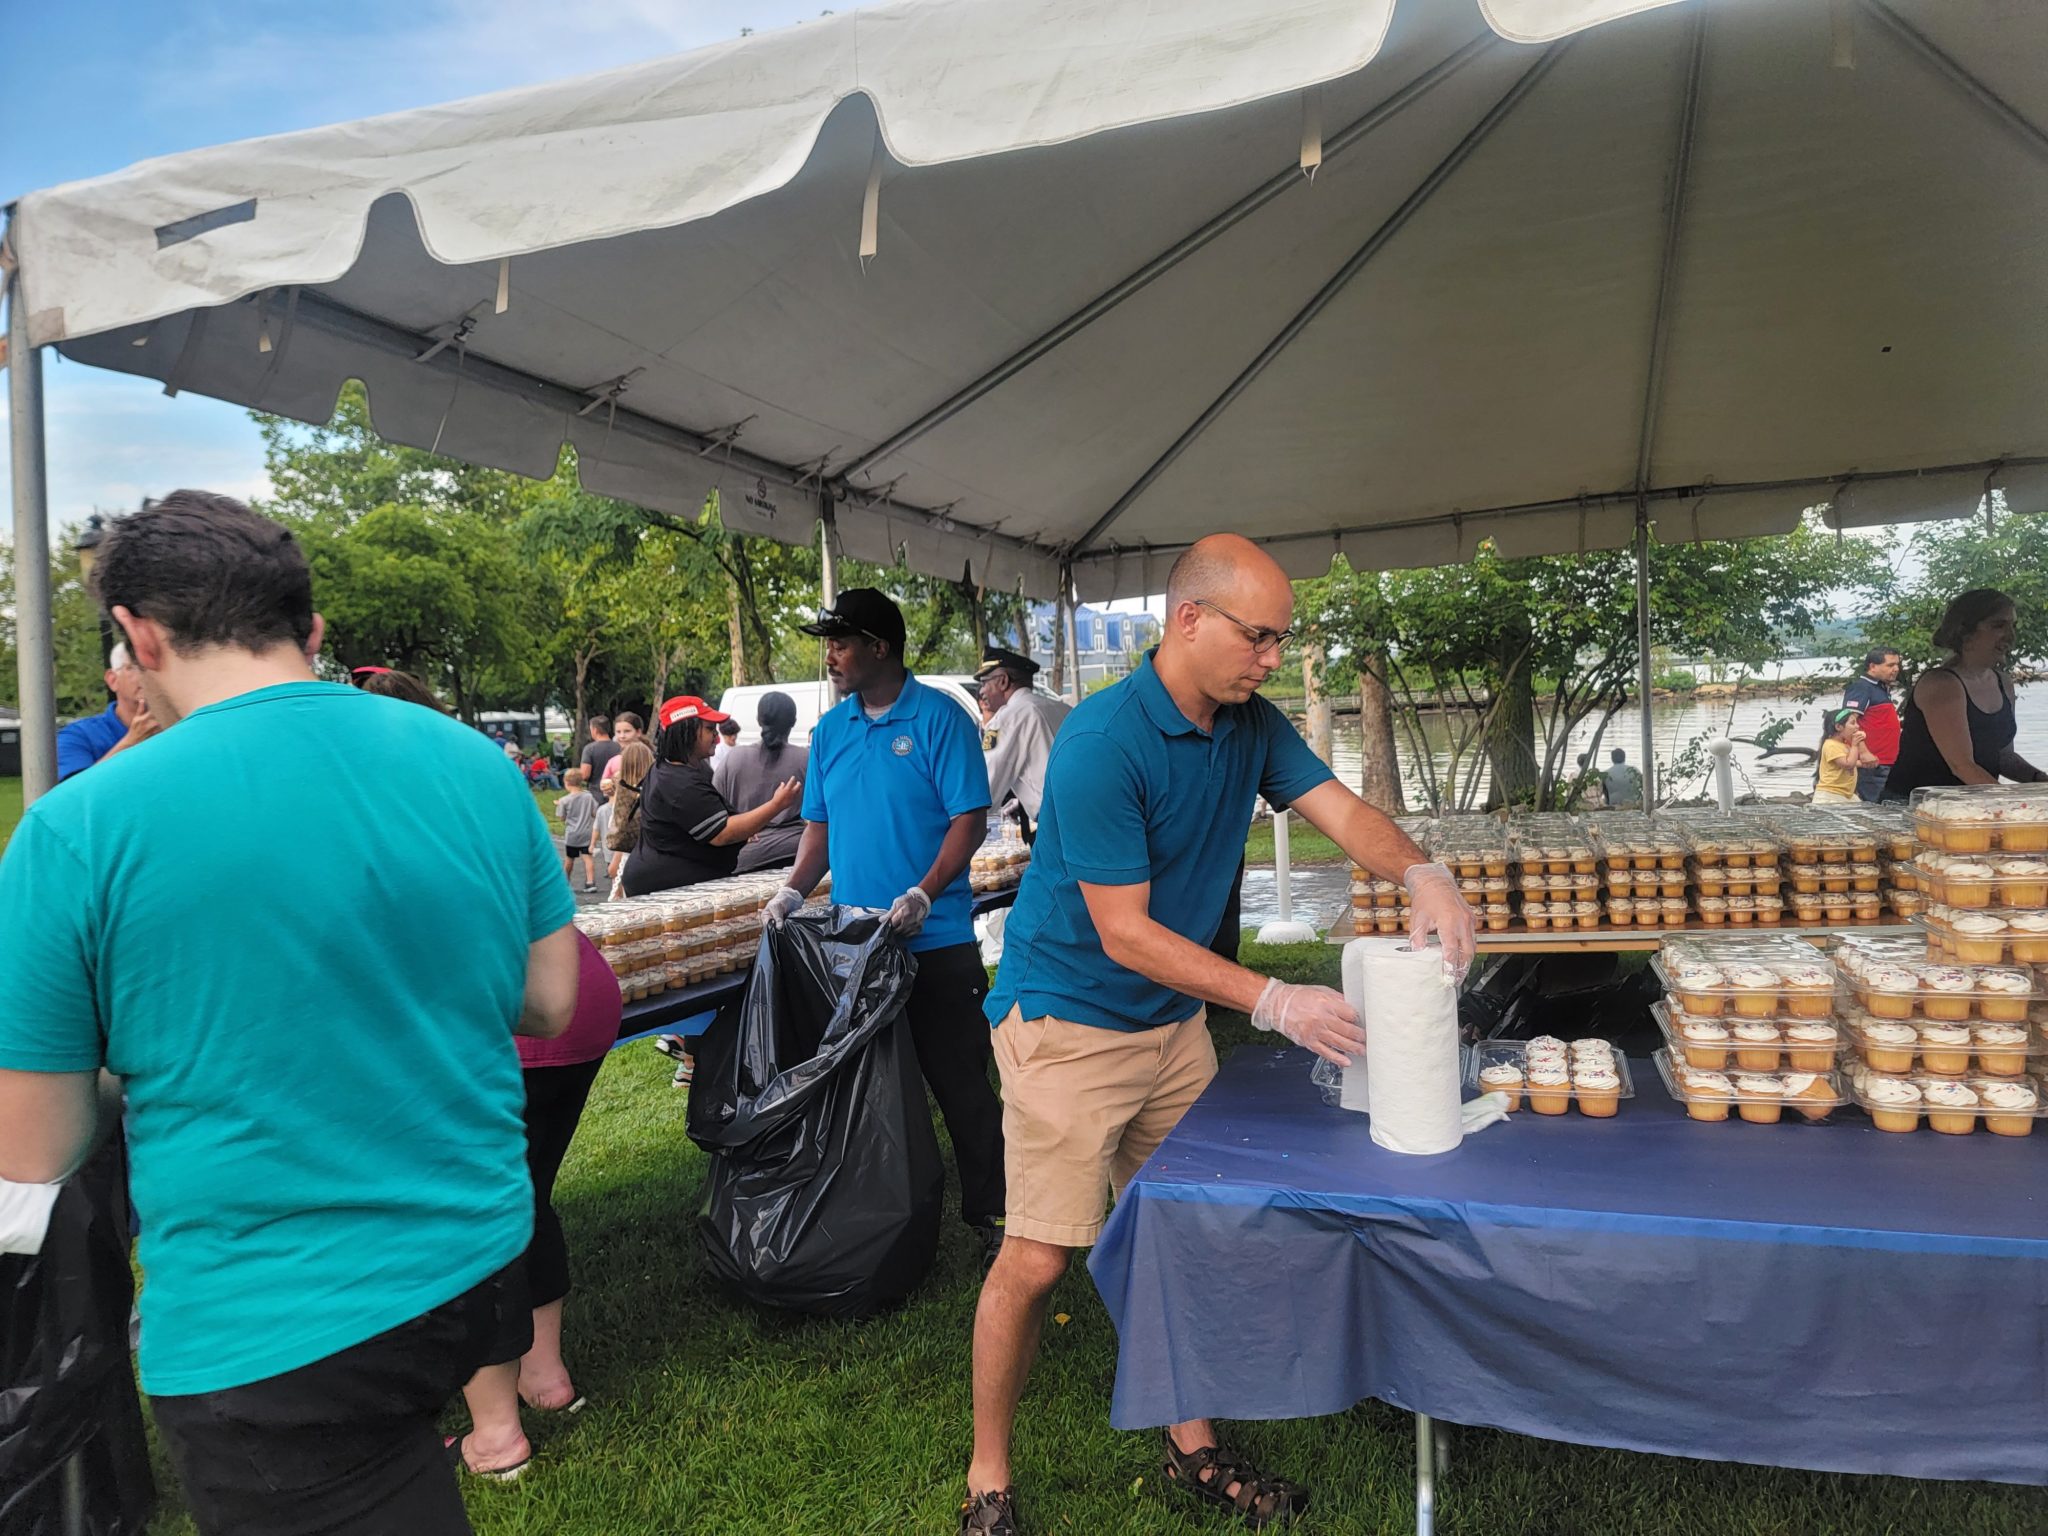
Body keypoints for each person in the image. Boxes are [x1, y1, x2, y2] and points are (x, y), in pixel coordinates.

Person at [0, 490, 581, 1536]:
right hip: (473, 1257)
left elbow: (35, 1147)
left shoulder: (76, 830)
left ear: (138, 635)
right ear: (308, 627)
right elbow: (546, 1001)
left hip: (272, 1324)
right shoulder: (474, 764)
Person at [955, 534, 1475, 1536]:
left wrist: (1419, 871)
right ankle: (987, 1481)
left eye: (1279, 639)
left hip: (1169, 1026)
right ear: (1187, 619)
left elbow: (1341, 812)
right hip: (1066, 1019)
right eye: (1259, 636)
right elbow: (1124, 931)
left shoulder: (1248, 723)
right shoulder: (1105, 740)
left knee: (1182, 1233)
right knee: (1037, 1259)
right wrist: (1274, 1002)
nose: (1272, 657)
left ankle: (1189, 1443)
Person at [764, 588, 1007, 1263]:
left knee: (959, 1083)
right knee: (867, 1092)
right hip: (855, 946)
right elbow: (820, 827)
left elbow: (969, 816)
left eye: (842, 642)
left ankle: (997, 1213)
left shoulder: (939, 719)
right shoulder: (833, 730)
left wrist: (926, 893)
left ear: (879, 646)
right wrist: (791, 891)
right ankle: (878, 1224)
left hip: (933, 940)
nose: (831, 656)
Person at [451, 930, 621, 1476]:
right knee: (526, 1194)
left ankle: (496, 1439)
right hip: (577, 989)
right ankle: (546, 1380)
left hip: (504, 1015)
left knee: (473, 1219)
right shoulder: (487, 839)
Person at [622, 696, 801, 898]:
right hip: (664, 891)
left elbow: (715, 816)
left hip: (671, 882)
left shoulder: (676, 768)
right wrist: (777, 805)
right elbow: (723, 833)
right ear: (687, 731)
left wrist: (747, 827)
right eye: (709, 729)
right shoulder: (678, 782)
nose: (716, 737)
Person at [1884, 589, 2048, 799]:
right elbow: (1962, 766)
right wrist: (2013, 805)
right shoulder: (1942, 684)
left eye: (2012, 626)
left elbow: (2004, 757)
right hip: (1915, 807)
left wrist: (2039, 780)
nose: (2011, 636)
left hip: (1970, 806)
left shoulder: (2003, 683)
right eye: (1998, 625)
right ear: (1965, 632)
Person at [975, 646, 1072, 841]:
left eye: (985, 683)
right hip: (1085, 815)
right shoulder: (1061, 708)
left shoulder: (1008, 718)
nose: (982, 691)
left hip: (1057, 829)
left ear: (1003, 681)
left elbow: (986, 789)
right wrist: (1024, 800)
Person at [714, 690, 810, 873]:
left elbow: (713, 812)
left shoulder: (732, 759)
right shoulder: (807, 760)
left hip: (743, 859)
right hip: (797, 856)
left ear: (759, 720)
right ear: (793, 722)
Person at [55, 642, 160, 779]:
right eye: (133, 667)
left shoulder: (183, 725)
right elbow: (75, 794)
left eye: (153, 667)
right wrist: (131, 741)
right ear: (112, 680)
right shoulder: (78, 736)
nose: (145, 675)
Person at [1843, 647, 1903, 802]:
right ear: (1873, 666)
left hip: (1887, 762)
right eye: (1890, 665)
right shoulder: (1861, 687)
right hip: (1872, 764)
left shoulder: (1880, 688)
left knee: (1891, 807)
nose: (1896, 669)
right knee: (1878, 810)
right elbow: (1848, 722)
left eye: (1897, 664)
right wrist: (1863, 752)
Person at [606, 740, 656, 898]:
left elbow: (619, 830)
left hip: (629, 860)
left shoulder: (622, 796)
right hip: (656, 858)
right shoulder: (657, 789)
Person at [1812, 707, 1880, 804]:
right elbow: (1848, 764)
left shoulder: (1844, 745)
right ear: (1839, 727)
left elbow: (1844, 763)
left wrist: (1862, 764)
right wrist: (1855, 745)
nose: (1857, 726)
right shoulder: (1831, 745)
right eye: (1852, 723)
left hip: (1844, 794)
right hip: (1830, 795)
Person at [558, 767, 599, 890]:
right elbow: (594, 812)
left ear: (566, 782)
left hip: (572, 833)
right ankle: (590, 882)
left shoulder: (564, 801)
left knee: (570, 858)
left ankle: (565, 880)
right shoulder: (588, 797)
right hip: (587, 832)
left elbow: (561, 817)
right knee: (587, 857)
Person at [580, 715, 621, 791]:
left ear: (595, 730)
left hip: (596, 791)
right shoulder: (619, 747)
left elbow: (585, 775)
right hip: (616, 790)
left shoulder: (589, 749)